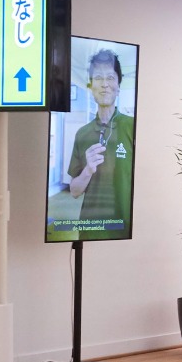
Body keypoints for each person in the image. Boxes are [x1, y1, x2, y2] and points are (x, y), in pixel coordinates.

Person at [65, 48, 135, 236]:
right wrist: (87, 170)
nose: (104, 84)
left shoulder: (133, 127)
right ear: (91, 87)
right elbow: (74, 191)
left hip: (124, 230)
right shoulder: (82, 134)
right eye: (98, 78)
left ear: (118, 86)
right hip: (91, 230)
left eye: (110, 78)